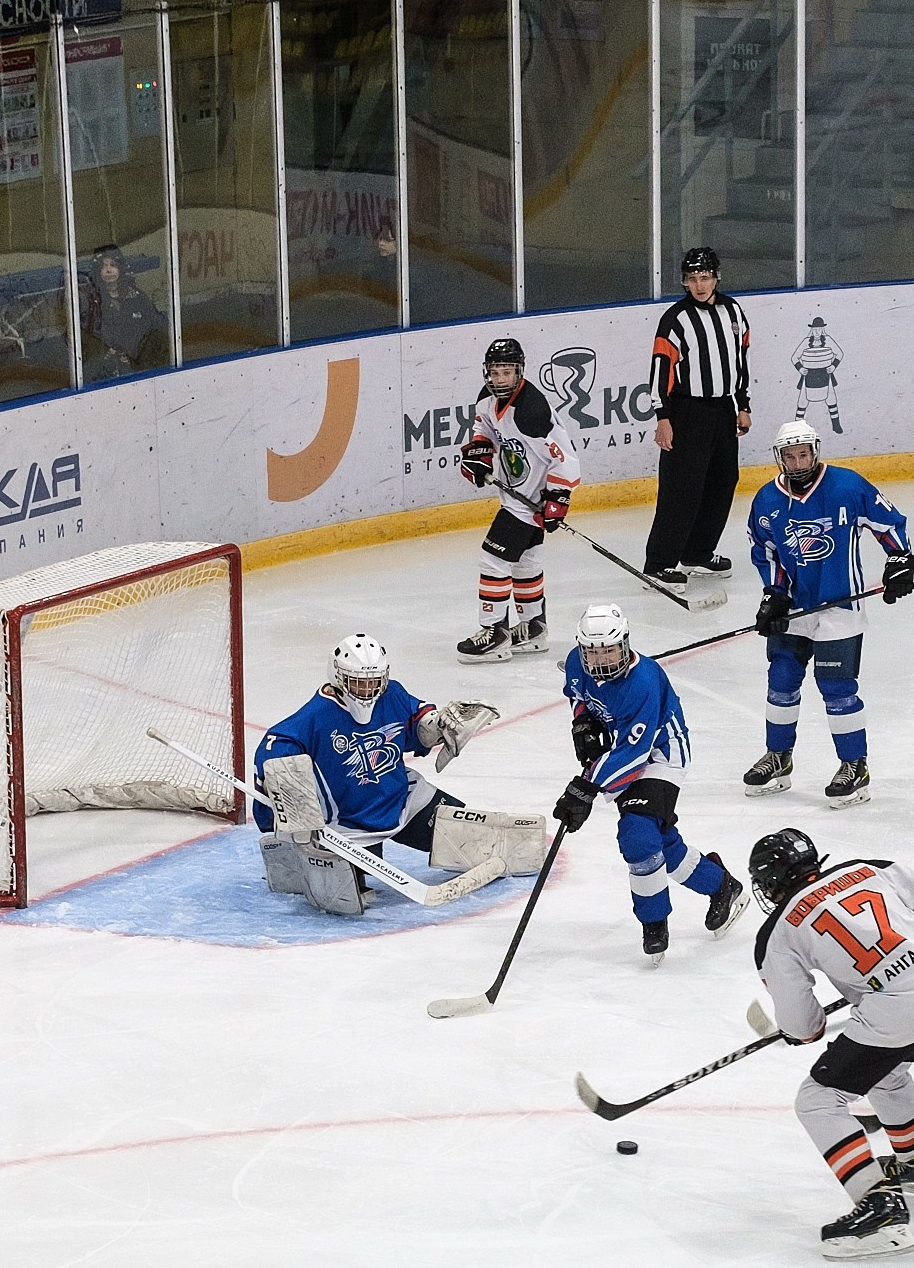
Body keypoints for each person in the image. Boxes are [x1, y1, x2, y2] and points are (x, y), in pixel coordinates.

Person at [749, 827, 914, 1261]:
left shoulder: (778, 931)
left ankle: (879, 1207)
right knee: (885, 1072)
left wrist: (800, 1031)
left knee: (817, 1099)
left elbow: (802, 1024)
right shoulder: (865, 869)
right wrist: (911, 956)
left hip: (896, 1010)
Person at [742, 420, 914, 808]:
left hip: (840, 606)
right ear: (780, 458)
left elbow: (888, 523)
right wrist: (773, 594)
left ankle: (855, 766)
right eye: (790, 455)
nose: (798, 461)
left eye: (803, 453)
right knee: (782, 679)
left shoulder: (847, 486)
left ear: (815, 451)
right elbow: (764, 549)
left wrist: (900, 560)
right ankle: (779, 756)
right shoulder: (767, 500)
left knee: (836, 688)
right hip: (794, 608)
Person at [554, 604, 747, 963]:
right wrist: (582, 723)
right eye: (593, 651)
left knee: (637, 833)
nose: (601, 658)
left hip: (660, 753)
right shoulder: (575, 662)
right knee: (659, 843)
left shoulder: (642, 681)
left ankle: (654, 922)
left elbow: (634, 754)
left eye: (609, 649)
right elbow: (579, 697)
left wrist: (586, 788)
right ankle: (720, 885)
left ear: (625, 643)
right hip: (621, 749)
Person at [252, 633, 495, 915]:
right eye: (358, 682)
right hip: (348, 829)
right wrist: (278, 812)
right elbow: (272, 750)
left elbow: (417, 722)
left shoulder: (391, 694)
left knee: (478, 841)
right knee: (348, 897)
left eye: (374, 681)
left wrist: (437, 725)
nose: (367, 690)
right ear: (338, 678)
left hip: (404, 800)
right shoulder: (315, 716)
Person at [456, 338, 581, 663]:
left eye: (506, 373)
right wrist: (480, 456)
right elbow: (483, 428)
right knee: (525, 563)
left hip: (529, 501)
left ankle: (494, 632)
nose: (499, 379)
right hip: (516, 496)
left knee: (493, 560)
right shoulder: (487, 399)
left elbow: (565, 457)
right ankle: (533, 628)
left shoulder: (531, 412)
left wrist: (558, 497)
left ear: (519, 372)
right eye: (495, 372)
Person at [642, 246, 751, 589]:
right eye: (692, 279)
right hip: (686, 411)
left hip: (723, 410)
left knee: (722, 481)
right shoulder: (675, 319)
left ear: (716, 277)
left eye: (705, 278)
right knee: (681, 489)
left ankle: (697, 552)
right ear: (685, 282)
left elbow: (740, 361)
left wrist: (743, 404)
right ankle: (659, 563)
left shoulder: (734, 312)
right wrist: (663, 416)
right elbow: (661, 369)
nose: (699, 285)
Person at [83, 245, 168, 379]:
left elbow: (159, 325)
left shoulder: (137, 296)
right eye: (104, 266)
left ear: (120, 269)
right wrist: (107, 353)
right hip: (104, 372)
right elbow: (87, 339)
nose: (109, 270)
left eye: (113, 265)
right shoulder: (91, 302)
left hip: (138, 366)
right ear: (98, 271)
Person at [792, 316, 843, 434]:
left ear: (822, 329)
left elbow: (839, 353)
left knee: (831, 400)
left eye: (819, 329)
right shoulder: (806, 342)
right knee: (802, 402)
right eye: (815, 329)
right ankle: (796, 428)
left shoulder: (828, 340)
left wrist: (833, 366)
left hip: (825, 374)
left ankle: (836, 424)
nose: (817, 332)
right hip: (809, 374)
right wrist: (801, 369)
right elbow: (795, 357)